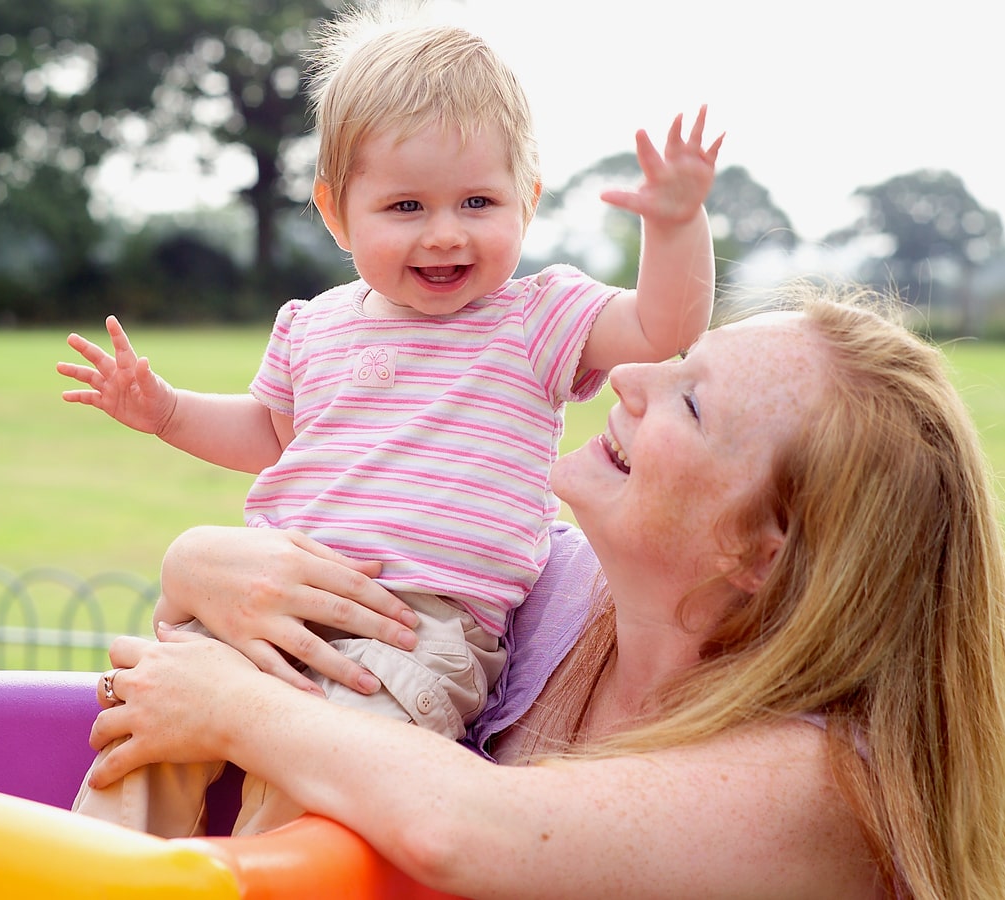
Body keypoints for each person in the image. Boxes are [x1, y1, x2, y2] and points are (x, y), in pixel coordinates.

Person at [83, 285, 1005, 898]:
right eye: (676, 360)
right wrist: (201, 558)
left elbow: (466, 832)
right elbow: (365, 574)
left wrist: (229, 703)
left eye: (688, 399)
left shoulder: (829, 789)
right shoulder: (555, 589)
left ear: (765, 554)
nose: (630, 378)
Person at [58, 4, 722, 837]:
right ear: (336, 212)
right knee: (141, 738)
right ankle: (95, 867)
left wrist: (675, 224)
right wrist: (165, 412)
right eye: (406, 207)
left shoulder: (535, 318)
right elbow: (269, 434)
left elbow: (665, 329)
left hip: (419, 625)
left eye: (478, 201)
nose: (445, 234)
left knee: (319, 796)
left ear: (528, 198)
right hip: (263, 597)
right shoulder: (313, 322)